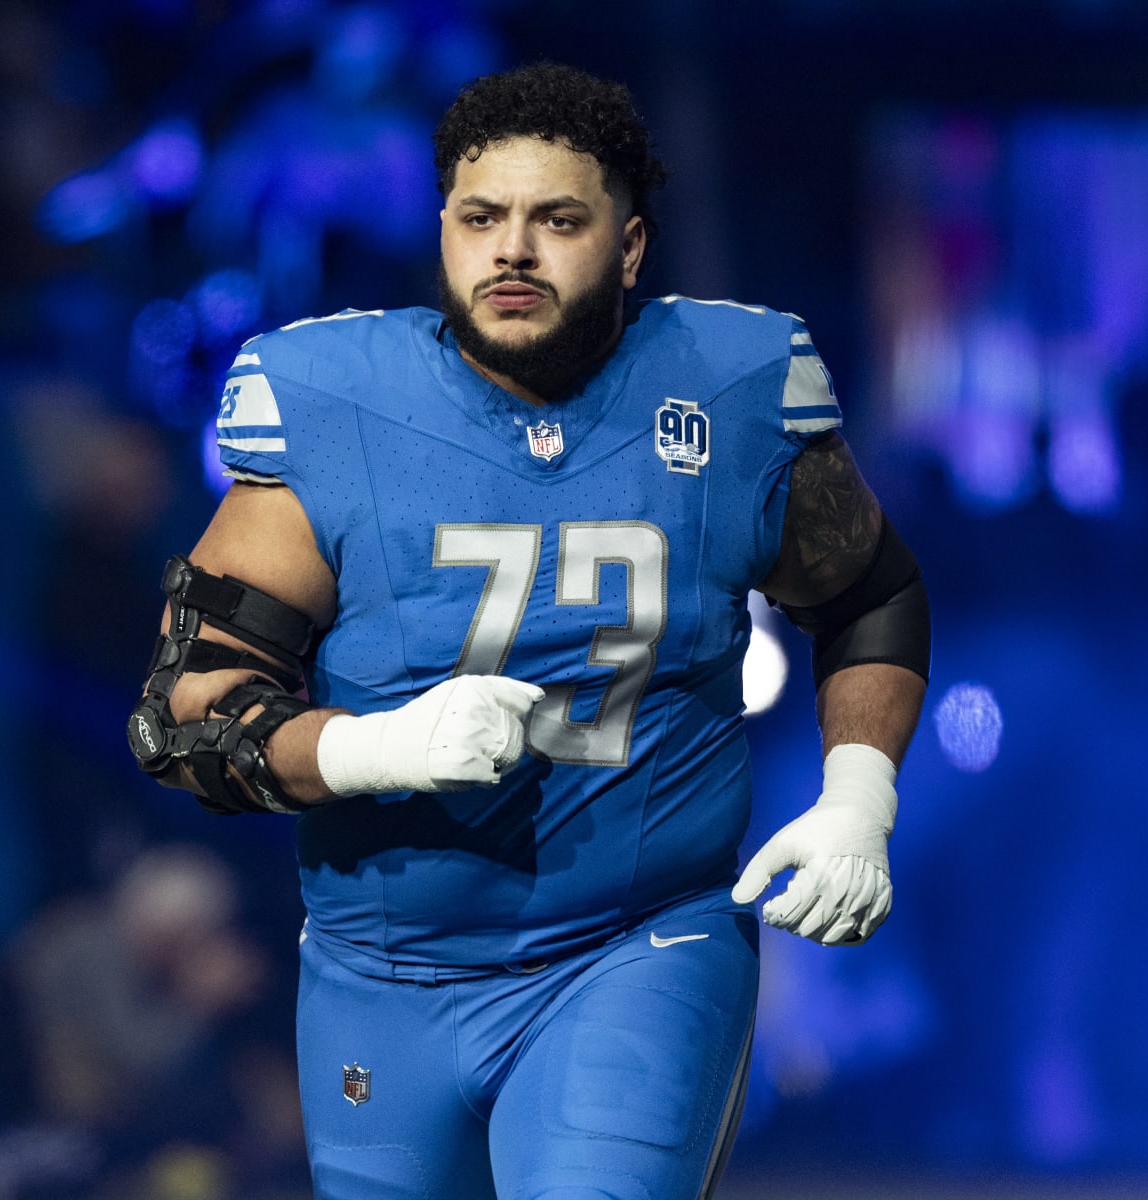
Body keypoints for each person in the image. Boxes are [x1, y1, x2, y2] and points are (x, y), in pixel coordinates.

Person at [125, 62, 929, 1200]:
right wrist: (379, 748)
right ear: (442, 232)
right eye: (481, 218)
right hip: (383, 968)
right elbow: (186, 716)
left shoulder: (727, 385)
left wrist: (860, 797)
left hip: (638, 942)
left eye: (558, 219)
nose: (513, 250)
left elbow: (868, 594)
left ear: (631, 247)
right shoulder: (333, 401)